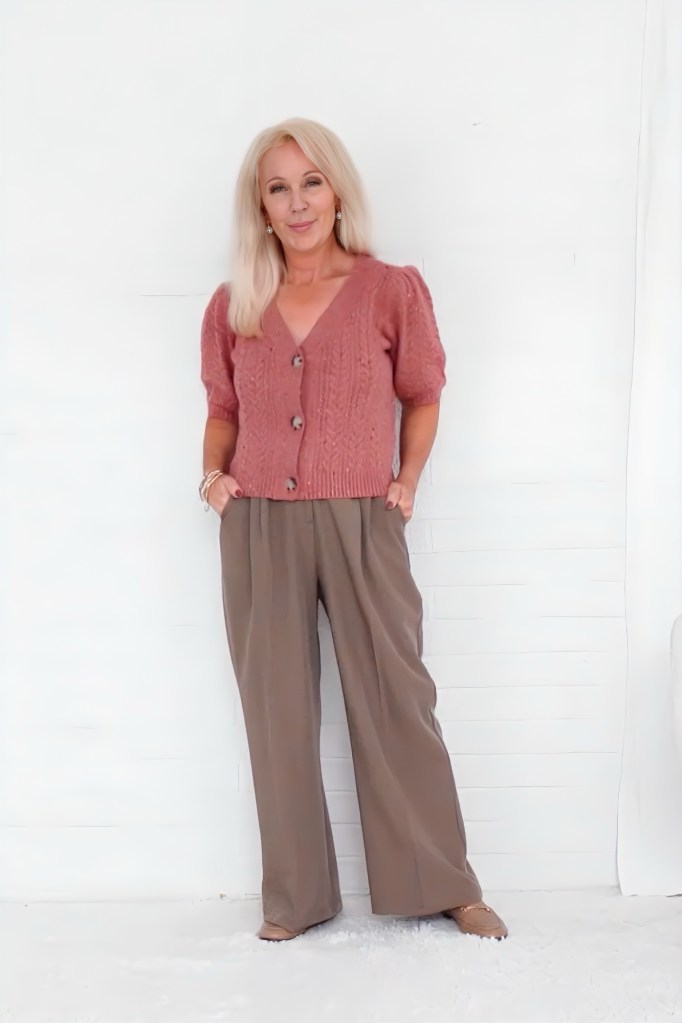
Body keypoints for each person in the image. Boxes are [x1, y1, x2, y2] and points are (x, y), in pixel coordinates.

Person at [199, 117, 508, 942]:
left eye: (311, 182)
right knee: (277, 711)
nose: (297, 202)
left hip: (364, 517)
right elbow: (222, 409)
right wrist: (213, 479)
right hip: (260, 520)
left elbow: (423, 389)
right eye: (277, 187)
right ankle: (295, 898)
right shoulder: (236, 304)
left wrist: (405, 480)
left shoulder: (388, 288)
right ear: (260, 208)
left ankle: (442, 882)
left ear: (336, 192)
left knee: (396, 697)